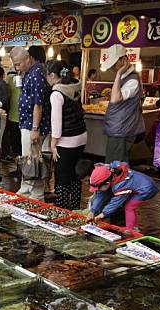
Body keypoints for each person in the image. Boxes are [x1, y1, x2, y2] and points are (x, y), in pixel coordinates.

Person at [46, 60, 87, 210]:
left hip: (66, 140)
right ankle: (75, 208)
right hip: (81, 136)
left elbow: (56, 122)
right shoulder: (74, 85)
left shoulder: (57, 93)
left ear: (52, 75)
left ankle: (61, 209)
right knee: (75, 174)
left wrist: (53, 144)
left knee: (62, 176)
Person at [13, 46, 50, 201]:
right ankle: (27, 188)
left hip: (33, 125)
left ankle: (35, 193)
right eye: (15, 65)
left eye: (19, 64)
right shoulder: (30, 73)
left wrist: (35, 127)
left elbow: (38, 104)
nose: (17, 67)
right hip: (27, 123)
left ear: (28, 58)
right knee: (28, 157)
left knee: (34, 158)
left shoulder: (36, 74)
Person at [102, 44, 145, 164]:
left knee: (116, 167)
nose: (112, 68)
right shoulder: (124, 78)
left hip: (122, 130)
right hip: (117, 129)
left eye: (114, 64)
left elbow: (115, 98)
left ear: (124, 60)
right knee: (113, 164)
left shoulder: (132, 80)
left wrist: (119, 73)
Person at [87, 161, 159, 229]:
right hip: (144, 183)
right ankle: (134, 227)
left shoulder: (120, 185)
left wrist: (102, 215)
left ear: (107, 183)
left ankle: (130, 230)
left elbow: (115, 203)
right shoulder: (112, 170)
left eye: (98, 188)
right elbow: (100, 195)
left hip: (146, 189)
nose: (98, 190)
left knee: (129, 207)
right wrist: (92, 211)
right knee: (130, 205)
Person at [0, 68, 22, 166]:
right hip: (17, 115)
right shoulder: (15, 79)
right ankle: (20, 167)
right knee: (18, 143)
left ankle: (18, 166)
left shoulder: (9, 80)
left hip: (13, 115)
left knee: (15, 141)